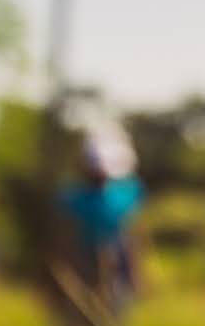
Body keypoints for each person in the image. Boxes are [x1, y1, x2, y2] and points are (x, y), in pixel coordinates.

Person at [59, 128, 146, 313]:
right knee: (85, 308)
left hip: (116, 258)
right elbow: (65, 238)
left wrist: (136, 273)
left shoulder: (124, 194)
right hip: (85, 258)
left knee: (115, 308)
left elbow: (132, 236)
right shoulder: (74, 198)